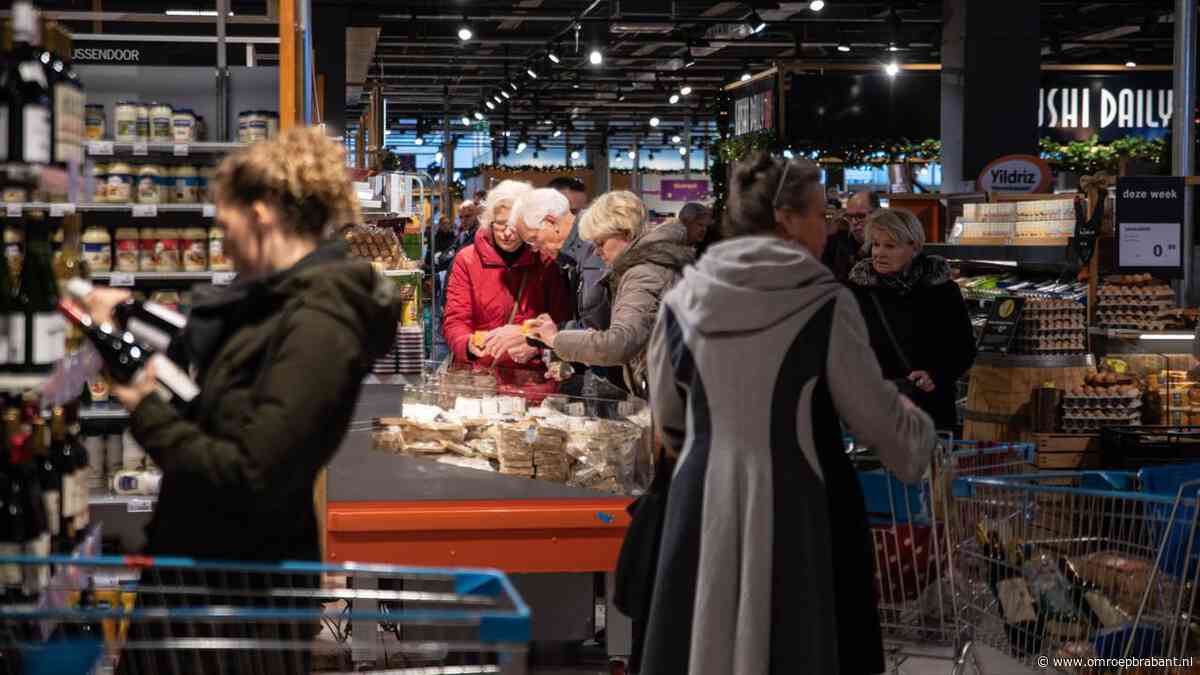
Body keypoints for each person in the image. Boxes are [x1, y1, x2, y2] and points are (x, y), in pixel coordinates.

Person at [77, 127, 401, 673]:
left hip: (240, 596)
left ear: (262, 214)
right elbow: (214, 355)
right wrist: (130, 315)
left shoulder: (321, 323)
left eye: (225, 224)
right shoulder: (275, 299)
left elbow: (253, 470)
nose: (221, 241)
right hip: (205, 573)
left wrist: (144, 408)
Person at [640, 153, 936, 675]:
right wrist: (920, 438)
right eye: (820, 215)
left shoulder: (684, 298)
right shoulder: (824, 302)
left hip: (699, 504)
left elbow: (667, 417)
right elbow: (877, 420)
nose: (829, 229)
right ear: (786, 221)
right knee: (798, 643)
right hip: (801, 506)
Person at [528, 191, 693, 399]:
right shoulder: (652, 265)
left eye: (600, 243)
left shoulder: (643, 273)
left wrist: (555, 339)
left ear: (624, 233)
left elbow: (619, 343)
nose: (596, 252)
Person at [849, 208, 976, 430]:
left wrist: (935, 375)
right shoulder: (857, 291)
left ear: (914, 247)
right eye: (876, 244)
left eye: (890, 246)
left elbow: (964, 348)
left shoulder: (942, 291)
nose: (879, 253)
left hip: (930, 410)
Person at [441, 180, 572, 370]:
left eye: (513, 226)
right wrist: (466, 343)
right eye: (500, 225)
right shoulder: (467, 260)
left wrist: (537, 347)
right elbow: (455, 319)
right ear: (489, 222)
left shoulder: (546, 260)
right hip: (478, 377)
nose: (507, 234)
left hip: (531, 379)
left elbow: (560, 322)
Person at [512, 187, 611, 333]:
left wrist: (549, 333)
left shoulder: (593, 247)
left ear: (551, 222)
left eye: (533, 239)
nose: (534, 248)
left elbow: (595, 328)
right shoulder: (575, 255)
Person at [822, 189, 880, 283]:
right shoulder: (837, 241)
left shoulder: (886, 244)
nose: (854, 222)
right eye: (850, 217)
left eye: (860, 216)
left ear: (877, 214)